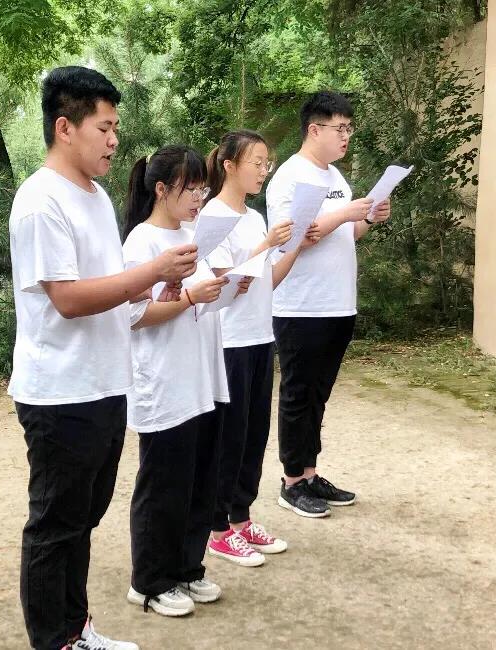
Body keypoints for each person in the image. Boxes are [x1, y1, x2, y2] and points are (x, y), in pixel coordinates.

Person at [8, 66, 197, 650]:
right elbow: (67, 299)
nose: (115, 140)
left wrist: (155, 285)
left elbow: (110, 285)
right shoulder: (40, 200)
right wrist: (150, 271)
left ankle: (75, 630)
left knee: (82, 519)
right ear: (65, 128)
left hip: (103, 384)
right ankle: (55, 640)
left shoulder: (93, 196)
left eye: (116, 128)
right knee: (55, 524)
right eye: (104, 127)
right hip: (60, 391)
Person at [265, 90, 391, 519]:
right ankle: (291, 482)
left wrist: (367, 217)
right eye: (340, 128)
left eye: (349, 128)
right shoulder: (290, 177)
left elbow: (347, 234)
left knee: (319, 395)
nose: (346, 136)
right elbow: (293, 236)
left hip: (338, 303)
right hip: (301, 305)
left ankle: (310, 472)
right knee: (298, 393)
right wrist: (345, 213)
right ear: (313, 130)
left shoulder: (335, 177)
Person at [121, 145, 231, 617]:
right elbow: (134, 316)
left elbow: (197, 297)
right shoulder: (141, 244)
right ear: (162, 189)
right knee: (164, 485)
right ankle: (150, 581)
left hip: (201, 376)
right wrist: (189, 298)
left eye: (203, 189)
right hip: (165, 382)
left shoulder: (194, 235)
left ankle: (187, 567)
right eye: (191, 189)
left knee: (200, 480)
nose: (198, 198)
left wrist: (228, 285)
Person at [202, 130, 304, 566]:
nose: (264, 171)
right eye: (257, 163)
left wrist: (294, 246)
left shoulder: (255, 217)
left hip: (261, 337)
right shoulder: (213, 216)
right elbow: (227, 285)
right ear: (229, 165)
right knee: (228, 437)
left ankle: (241, 518)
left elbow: (267, 281)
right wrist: (266, 245)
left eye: (267, 163)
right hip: (230, 342)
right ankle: (217, 528)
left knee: (254, 434)